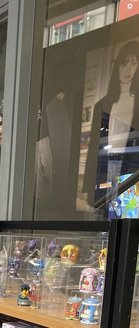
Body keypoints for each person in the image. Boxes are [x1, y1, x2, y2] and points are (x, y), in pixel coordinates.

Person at [84, 40, 139, 218]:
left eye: (133, 63)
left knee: (125, 221)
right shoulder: (103, 105)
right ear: (117, 67)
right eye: (124, 63)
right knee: (101, 221)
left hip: (130, 172)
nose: (128, 69)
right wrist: (88, 186)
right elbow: (94, 148)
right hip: (105, 170)